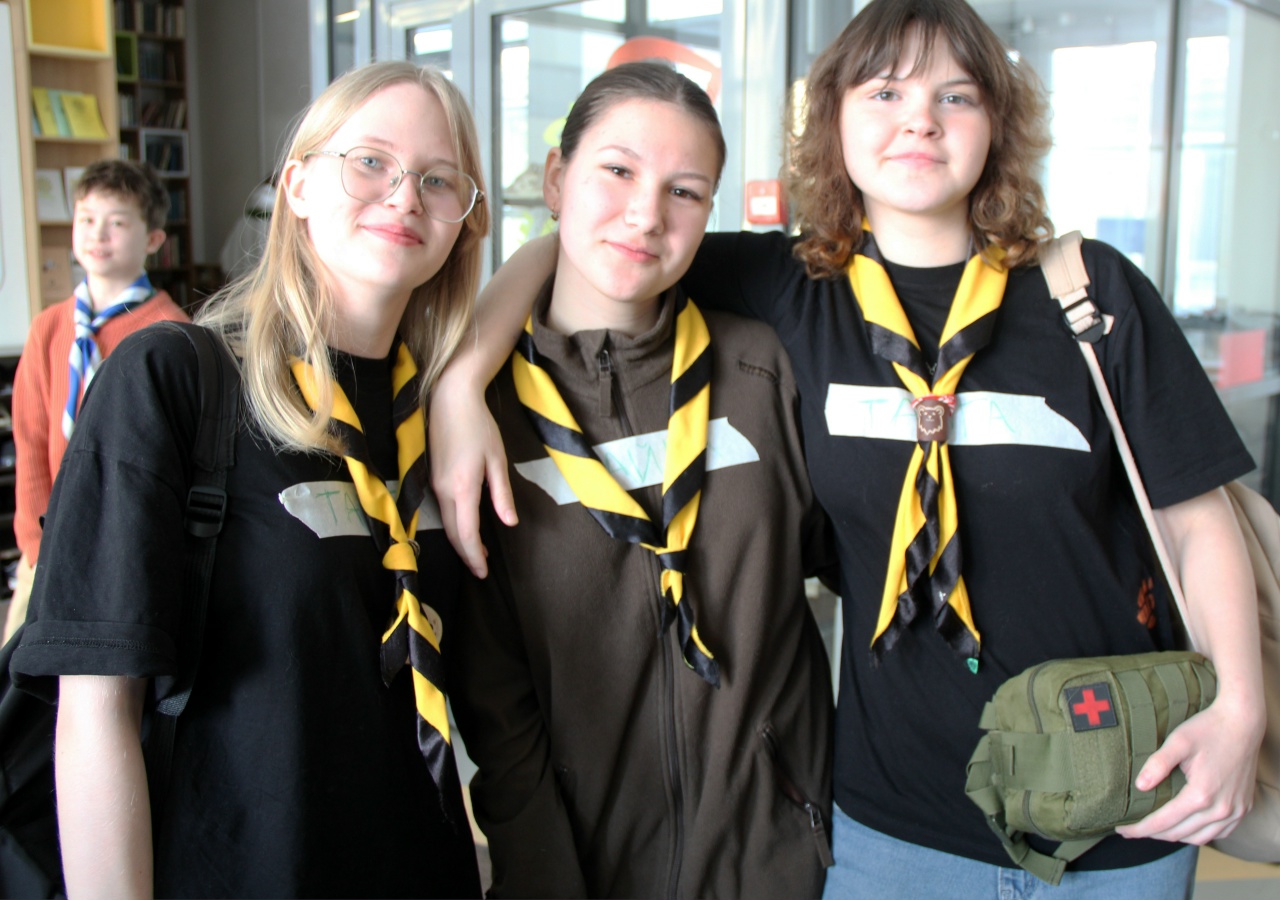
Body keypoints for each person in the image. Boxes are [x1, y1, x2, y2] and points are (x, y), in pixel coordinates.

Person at [427, 1, 1266, 897]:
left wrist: (1241, 711)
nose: (920, 120)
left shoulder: (1089, 292)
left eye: (956, 96)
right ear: (833, 119)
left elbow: (1197, 519)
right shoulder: (790, 291)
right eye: (886, 92)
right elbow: (598, 244)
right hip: (894, 826)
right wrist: (461, 380)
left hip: (1119, 794)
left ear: (999, 124)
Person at [10, 60, 489, 899]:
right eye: (370, 162)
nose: (405, 197)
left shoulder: (447, 414)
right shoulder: (174, 381)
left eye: (438, 178)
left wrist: (468, 376)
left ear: (465, 219)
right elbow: (93, 719)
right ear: (296, 186)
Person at [445, 62, 834, 899]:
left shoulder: (764, 370)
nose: (647, 214)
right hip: (577, 867)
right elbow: (492, 692)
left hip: (777, 862)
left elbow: (858, 559)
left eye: (685, 192)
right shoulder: (476, 416)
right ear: (557, 179)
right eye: (616, 170)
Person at [5, 159, 188, 643]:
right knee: (23, 664)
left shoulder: (172, 333)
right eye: (86, 219)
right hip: (46, 542)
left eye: (117, 222)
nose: (97, 234)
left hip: (124, 545)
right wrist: (35, 542)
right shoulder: (49, 326)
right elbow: (30, 437)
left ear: (153, 239)